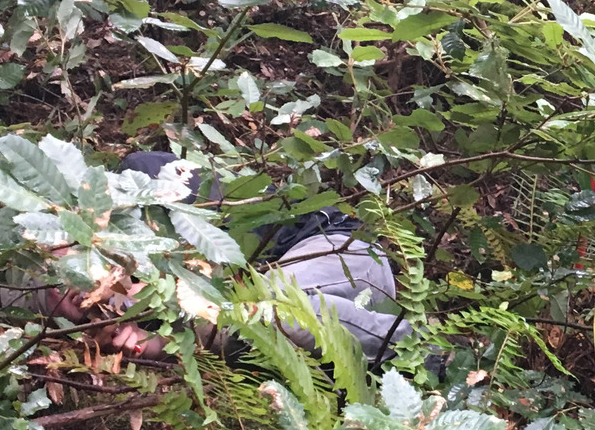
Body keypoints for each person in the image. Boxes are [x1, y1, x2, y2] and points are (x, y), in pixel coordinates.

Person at [25, 152, 407, 362]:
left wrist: (157, 279)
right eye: (71, 313)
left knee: (263, 315)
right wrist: (157, 343)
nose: (78, 297)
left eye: (62, 277)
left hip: (341, 252)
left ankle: (425, 353)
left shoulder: (143, 181)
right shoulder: (130, 308)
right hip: (332, 301)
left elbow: (232, 254)